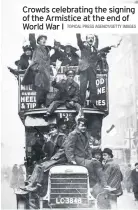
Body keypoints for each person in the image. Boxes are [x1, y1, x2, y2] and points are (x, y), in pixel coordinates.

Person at [21, 123, 67, 192]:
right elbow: (45, 151)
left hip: (61, 159)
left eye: (53, 129)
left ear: (57, 129)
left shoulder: (62, 137)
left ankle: (37, 186)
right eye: (50, 130)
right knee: (37, 166)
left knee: (42, 166)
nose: (51, 131)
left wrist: (55, 157)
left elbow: (63, 149)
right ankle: (30, 184)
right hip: (54, 159)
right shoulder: (51, 138)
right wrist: (46, 142)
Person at [65, 117, 107, 189]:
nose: (84, 127)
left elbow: (88, 148)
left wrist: (91, 158)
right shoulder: (73, 134)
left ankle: (99, 185)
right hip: (77, 158)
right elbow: (69, 148)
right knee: (96, 164)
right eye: (82, 125)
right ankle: (102, 185)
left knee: (96, 162)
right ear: (77, 125)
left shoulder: (85, 134)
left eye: (85, 126)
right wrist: (71, 160)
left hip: (83, 158)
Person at [28, 35, 51, 108]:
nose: (44, 40)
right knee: (39, 89)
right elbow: (32, 41)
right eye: (41, 39)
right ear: (38, 41)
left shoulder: (47, 50)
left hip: (46, 73)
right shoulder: (36, 48)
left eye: (45, 39)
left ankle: (44, 104)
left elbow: (48, 61)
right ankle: (38, 105)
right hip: (39, 72)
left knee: (45, 89)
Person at [76, 33, 99, 107]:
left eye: (92, 38)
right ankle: (82, 103)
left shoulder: (95, 48)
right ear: (86, 39)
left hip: (92, 70)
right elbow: (79, 42)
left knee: (93, 87)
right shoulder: (83, 47)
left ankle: (93, 103)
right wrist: (78, 34)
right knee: (83, 87)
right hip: (84, 69)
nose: (90, 39)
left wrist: (97, 37)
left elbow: (96, 43)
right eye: (89, 38)